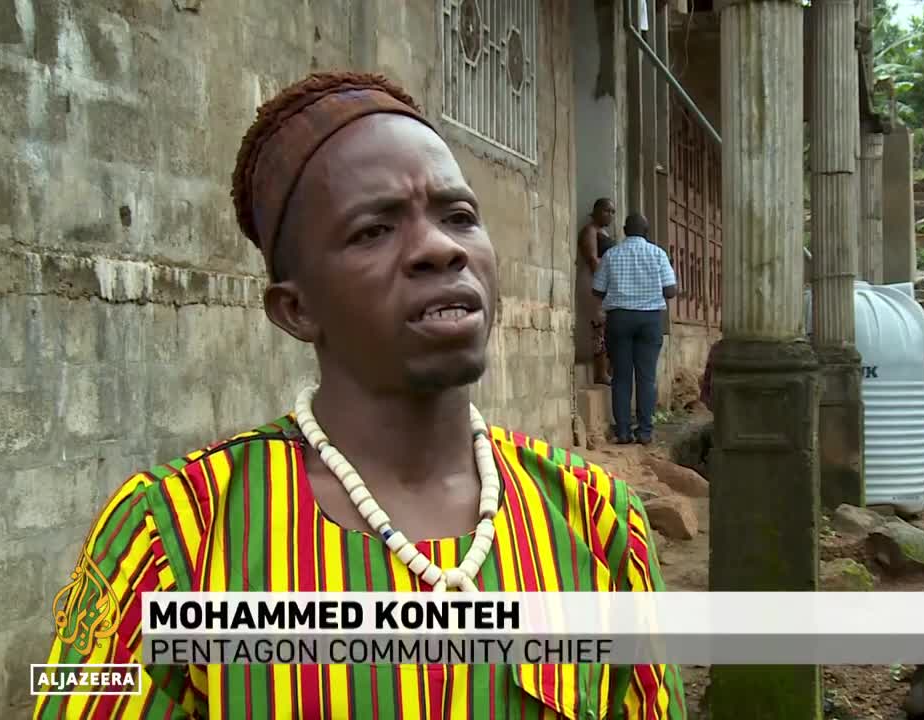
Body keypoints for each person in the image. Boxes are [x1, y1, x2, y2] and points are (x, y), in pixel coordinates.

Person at [35, 71, 685, 719]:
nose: (439, 248)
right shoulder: (172, 538)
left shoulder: (598, 525)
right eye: (373, 230)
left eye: (459, 216)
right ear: (296, 310)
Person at [593, 213, 677, 445]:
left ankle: (622, 431)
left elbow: (597, 290)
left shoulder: (611, 255)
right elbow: (670, 290)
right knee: (646, 377)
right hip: (650, 320)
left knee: (621, 376)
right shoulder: (658, 254)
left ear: (624, 230)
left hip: (619, 319)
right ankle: (645, 432)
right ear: (646, 231)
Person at [578, 197, 617, 384]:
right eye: (606, 211)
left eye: (612, 212)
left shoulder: (606, 233)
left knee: (608, 327)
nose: (610, 215)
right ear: (596, 211)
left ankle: (607, 370)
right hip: (594, 282)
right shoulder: (590, 231)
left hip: (606, 284)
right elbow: (593, 260)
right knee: (598, 326)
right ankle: (600, 372)